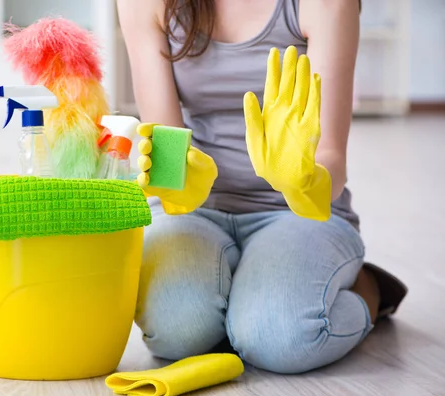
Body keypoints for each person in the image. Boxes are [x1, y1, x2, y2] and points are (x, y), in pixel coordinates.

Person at [116, 0, 408, 374]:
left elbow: (331, 154)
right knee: (176, 333)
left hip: (295, 213)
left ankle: (369, 290)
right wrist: (176, 181)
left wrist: (303, 182)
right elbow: (164, 138)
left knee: (280, 337)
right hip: (196, 210)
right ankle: (243, 292)